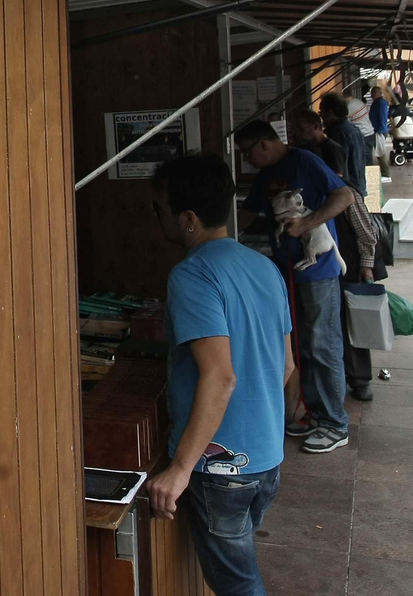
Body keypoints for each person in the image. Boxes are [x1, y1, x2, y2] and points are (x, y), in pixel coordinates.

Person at [147, 153, 295, 596]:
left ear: (188, 218)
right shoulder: (264, 267)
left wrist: (180, 469)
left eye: (160, 209)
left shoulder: (192, 275)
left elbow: (221, 376)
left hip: (221, 470)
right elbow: (286, 365)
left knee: (239, 586)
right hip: (267, 459)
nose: (157, 219)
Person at [236, 120, 354, 452]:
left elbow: (345, 195)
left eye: (248, 153)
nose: (247, 160)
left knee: (322, 345)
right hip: (286, 271)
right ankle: (316, 417)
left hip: (318, 270)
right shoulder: (265, 176)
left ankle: (335, 424)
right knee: (303, 345)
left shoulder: (305, 161)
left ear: (263, 145)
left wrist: (308, 223)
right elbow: (247, 214)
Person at [287, 107, 378, 402]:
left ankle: (360, 377)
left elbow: (364, 227)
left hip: (346, 256)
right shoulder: (307, 199)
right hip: (323, 256)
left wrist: (366, 263)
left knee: (351, 317)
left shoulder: (343, 191)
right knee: (326, 323)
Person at [320, 92, 368, 201]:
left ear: (330, 113)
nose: (321, 116)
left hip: (346, 190)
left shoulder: (336, 133)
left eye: (321, 111)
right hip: (357, 186)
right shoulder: (353, 129)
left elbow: (338, 166)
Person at [348, 83, 376, 166]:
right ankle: (370, 177)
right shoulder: (358, 102)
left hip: (364, 134)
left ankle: (368, 177)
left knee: (364, 159)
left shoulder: (350, 107)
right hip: (369, 132)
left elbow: (345, 121)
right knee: (368, 157)